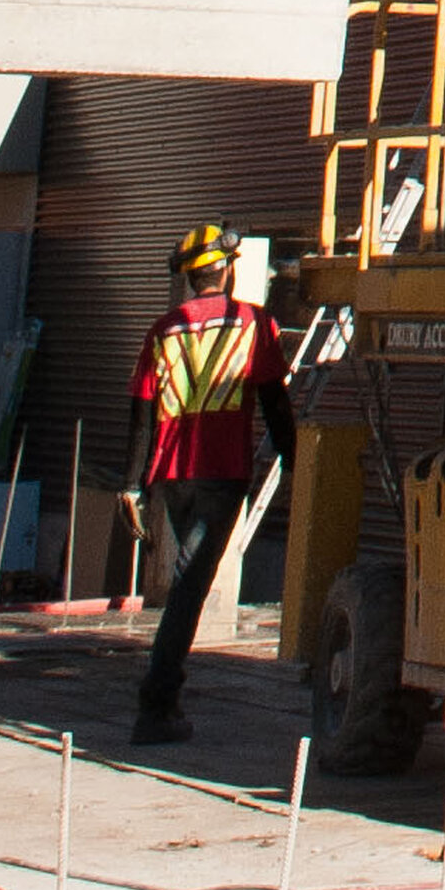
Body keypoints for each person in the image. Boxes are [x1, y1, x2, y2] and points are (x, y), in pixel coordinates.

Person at [125, 229, 294, 746]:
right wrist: (297, 463)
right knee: (188, 588)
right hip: (222, 473)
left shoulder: (164, 329)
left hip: (170, 475)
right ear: (229, 271)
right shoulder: (253, 323)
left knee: (187, 583)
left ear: (191, 276)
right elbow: (274, 403)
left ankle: (163, 700)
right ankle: (156, 704)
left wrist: (131, 485)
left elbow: (142, 411)